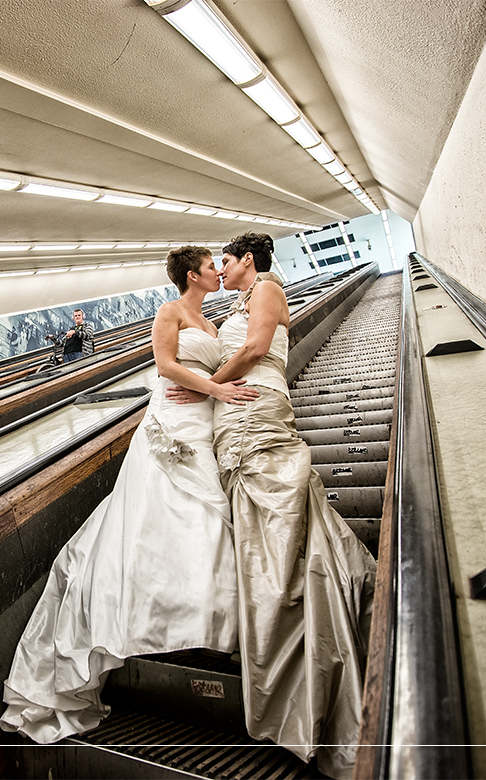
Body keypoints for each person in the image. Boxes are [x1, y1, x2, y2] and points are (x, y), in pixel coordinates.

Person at [0, 246, 258, 742]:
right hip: (174, 424)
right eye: (210, 266)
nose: (216, 271)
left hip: (203, 420)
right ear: (191, 274)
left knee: (206, 513)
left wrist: (218, 390)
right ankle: (183, 628)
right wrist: (216, 390)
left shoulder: (209, 317)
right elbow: (164, 366)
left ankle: (208, 621)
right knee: (176, 513)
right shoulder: (171, 312)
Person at [170, 233, 376, 779]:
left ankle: (293, 672)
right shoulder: (241, 300)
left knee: (274, 528)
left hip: (253, 411)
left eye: (228, 260)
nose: (223, 269)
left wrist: (208, 386)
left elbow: (257, 349)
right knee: (265, 529)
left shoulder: (267, 288)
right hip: (236, 414)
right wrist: (212, 391)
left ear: (249, 262)